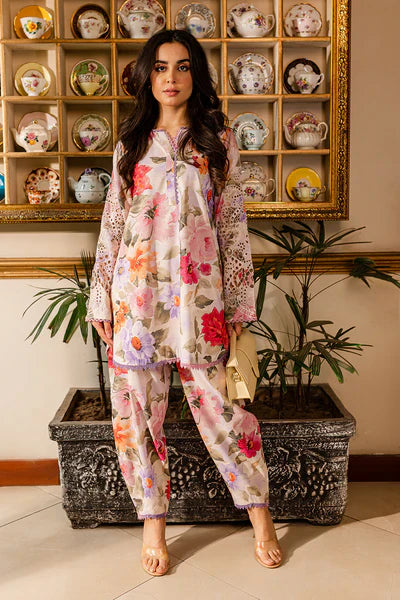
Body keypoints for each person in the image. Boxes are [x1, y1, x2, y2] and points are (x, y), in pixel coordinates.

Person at [85, 28, 283, 576]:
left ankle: (260, 516)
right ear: (146, 77)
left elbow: (233, 228)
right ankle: (153, 523)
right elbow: (112, 225)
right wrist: (100, 298)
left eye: (182, 66)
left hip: (200, 298)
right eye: (160, 67)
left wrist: (239, 307)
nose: (170, 78)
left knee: (224, 410)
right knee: (136, 415)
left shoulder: (217, 141)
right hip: (136, 296)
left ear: (196, 74)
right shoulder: (131, 144)